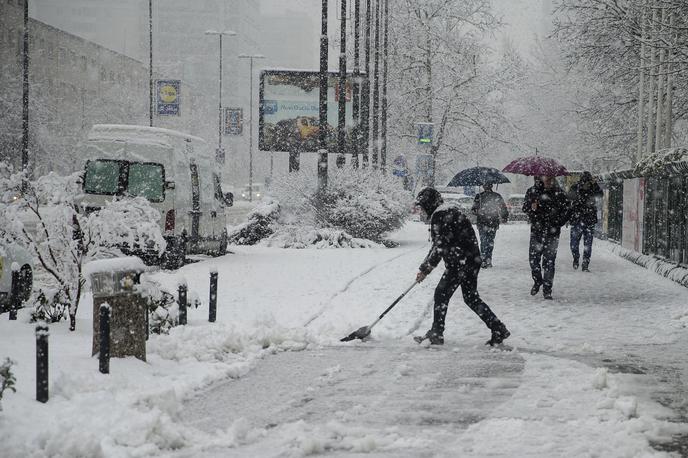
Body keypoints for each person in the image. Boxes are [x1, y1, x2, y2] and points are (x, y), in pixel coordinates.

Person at [414, 187, 510, 346]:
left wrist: (425, 269)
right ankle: (498, 327)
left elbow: (439, 246)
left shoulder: (440, 215)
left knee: (441, 294)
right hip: (472, 260)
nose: (422, 210)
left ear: (429, 204)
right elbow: (443, 244)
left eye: (423, 206)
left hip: (460, 263)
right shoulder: (451, 211)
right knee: (471, 297)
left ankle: (437, 332)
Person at [522, 176, 570, 300]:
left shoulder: (559, 193)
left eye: (550, 178)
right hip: (537, 231)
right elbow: (525, 208)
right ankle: (538, 280)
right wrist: (532, 207)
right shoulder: (532, 191)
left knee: (549, 262)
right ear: (540, 178)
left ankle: (547, 289)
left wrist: (559, 221)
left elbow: (567, 210)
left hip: (552, 233)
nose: (548, 180)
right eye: (546, 177)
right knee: (533, 260)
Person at [568, 171, 603, 272]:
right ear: (581, 181)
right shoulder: (575, 188)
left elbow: (600, 195)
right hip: (577, 220)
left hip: (589, 220)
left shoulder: (593, 188)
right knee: (574, 244)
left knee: (588, 244)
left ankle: (585, 263)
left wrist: (594, 184)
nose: (586, 184)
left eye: (588, 182)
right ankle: (576, 257)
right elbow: (569, 198)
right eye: (585, 182)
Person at [471, 183, 509, 268]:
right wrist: (504, 216)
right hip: (488, 222)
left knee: (486, 242)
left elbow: (502, 207)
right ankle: (486, 260)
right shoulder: (482, 196)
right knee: (487, 242)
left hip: (487, 222)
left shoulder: (486, 196)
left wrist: (504, 216)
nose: (486, 187)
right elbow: (503, 208)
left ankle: (486, 260)